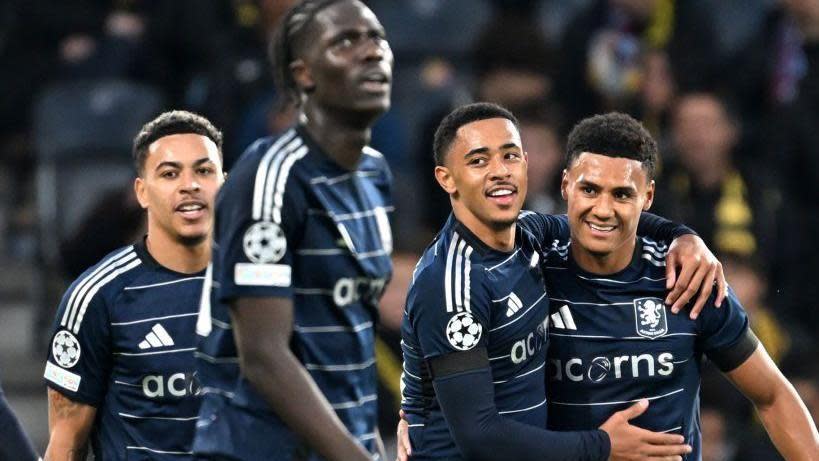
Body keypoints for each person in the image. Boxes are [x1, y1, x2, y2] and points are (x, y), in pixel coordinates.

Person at [399, 102, 725, 461]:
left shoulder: (528, 234)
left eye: (508, 156)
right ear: (447, 178)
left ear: (525, 162)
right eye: (478, 161)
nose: (499, 171)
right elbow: (480, 436)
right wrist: (602, 446)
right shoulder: (452, 284)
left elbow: (607, 216)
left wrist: (683, 237)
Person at [543, 112, 819, 459]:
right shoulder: (530, 276)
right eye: (590, 189)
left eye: (622, 194)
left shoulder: (688, 279)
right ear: (566, 185)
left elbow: (774, 396)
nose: (603, 209)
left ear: (648, 196)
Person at [192, 1, 393, 460]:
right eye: (345, 41)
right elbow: (263, 355)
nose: (371, 52)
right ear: (304, 75)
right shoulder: (271, 176)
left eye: (376, 38)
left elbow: (350, 323)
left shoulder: (374, 175)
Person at [43, 110, 225, 460]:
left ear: (224, 182)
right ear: (141, 191)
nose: (190, 184)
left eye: (204, 170)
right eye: (170, 173)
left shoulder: (257, 286)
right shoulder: (97, 296)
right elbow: (65, 444)